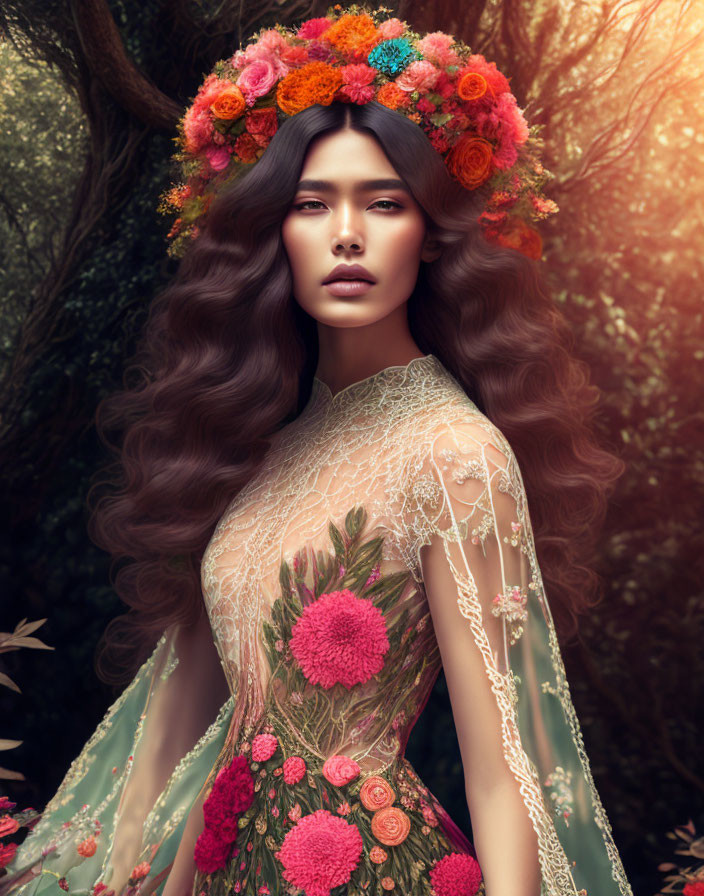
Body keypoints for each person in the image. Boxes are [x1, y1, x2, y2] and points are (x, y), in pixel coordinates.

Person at [1, 6, 634, 896]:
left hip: (372, 870)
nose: (348, 234)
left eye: (384, 203)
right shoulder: (263, 450)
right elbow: (171, 733)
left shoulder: (454, 453)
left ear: (430, 231)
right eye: (312, 204)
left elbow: (506, 773)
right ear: (275, 233)